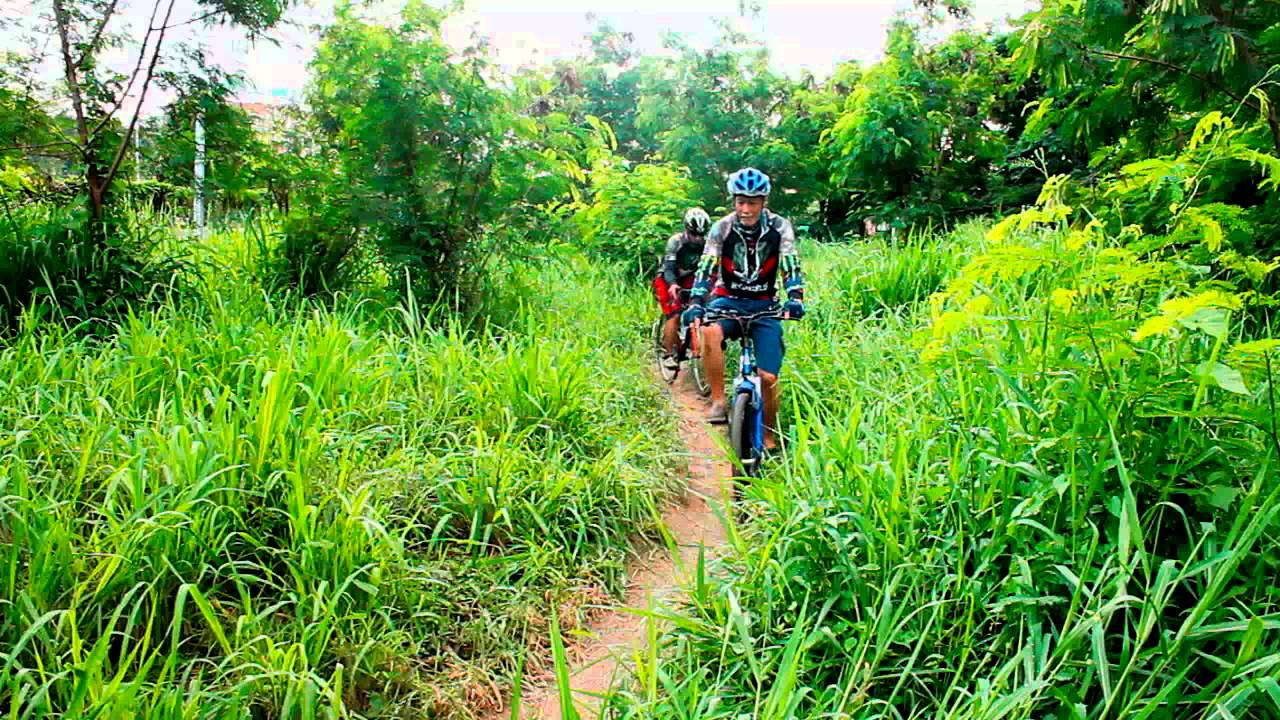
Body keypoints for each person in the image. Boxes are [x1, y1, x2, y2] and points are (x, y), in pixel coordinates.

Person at [681, 168, 805, 451]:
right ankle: (718, 400)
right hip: (729, 300)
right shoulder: (722, 228)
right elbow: (708, 265)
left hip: (764, 304)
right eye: (740, 202)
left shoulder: (779, 226)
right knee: (709, 331)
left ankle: (770, 432)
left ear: (763, 202)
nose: (745, 209)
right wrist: (697, 302)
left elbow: (789, 263)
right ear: (734, 201)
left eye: (752, 202)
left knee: (769, 377)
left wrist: (795, 297)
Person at [653, 207, 711, 372]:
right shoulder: (676, 241)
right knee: (675, 313)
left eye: (700, 235)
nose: (696, 239)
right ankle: (669, 354)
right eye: (693, 234)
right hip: (667, 278)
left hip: (688, 278)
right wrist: (672, 284)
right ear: (686, 229)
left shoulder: (707, 245)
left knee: (705, 305)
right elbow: (669, 268)